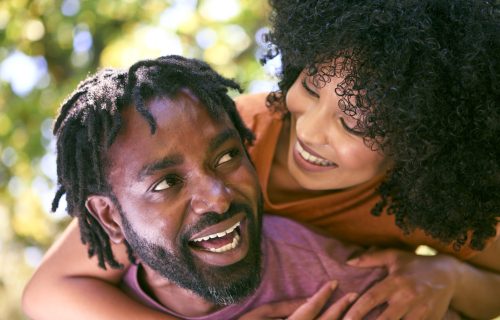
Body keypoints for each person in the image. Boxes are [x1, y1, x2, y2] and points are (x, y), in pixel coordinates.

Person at [23, 0, 500, 319]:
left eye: (355, 123)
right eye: (310, 88)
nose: (309, 130)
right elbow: (52, 290)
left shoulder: (442, 201)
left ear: (426, 138)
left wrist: (449, 277)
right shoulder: (231, 133)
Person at [24, 55, 398, 320]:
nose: (217, 197)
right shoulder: (249, 122)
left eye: (226, 158)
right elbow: (49, 290)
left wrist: (451, 277)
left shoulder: (329, 283)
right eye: (167, 182)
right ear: (109, 216)